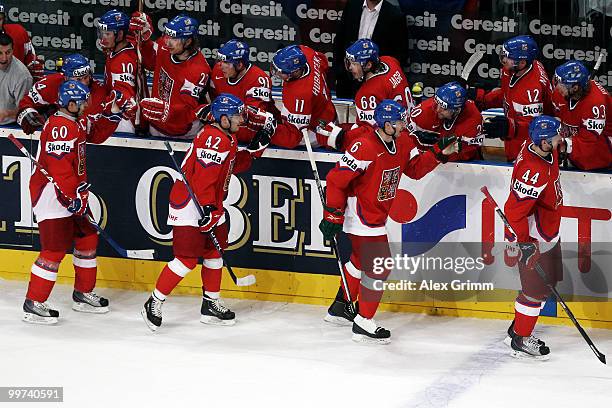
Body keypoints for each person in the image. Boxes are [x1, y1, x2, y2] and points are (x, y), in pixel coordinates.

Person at [318, 99, 459, 344]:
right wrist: (332, 215)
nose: (404, 125)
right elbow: (336, 179)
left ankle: (341, 307)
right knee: (380, 265)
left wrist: (438, 153)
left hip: (376, 214)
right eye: (398, 122)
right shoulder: (363, 146)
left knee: (360, 260)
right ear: (385, 124)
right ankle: (363, 321)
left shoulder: (403, 141)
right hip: (360, 214)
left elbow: (414, 169)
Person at [141, 94, 255, 331]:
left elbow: (232, 165)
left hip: (210, 204)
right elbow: (203, 179)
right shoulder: (214, 139)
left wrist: (255, 150)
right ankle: (153, 301)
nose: (241, 120)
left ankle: (210, 303)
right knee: (186, 259)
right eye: (236, 116)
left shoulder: (226, 136)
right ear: (223, 119)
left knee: (215, 253)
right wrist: (209, 209)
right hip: (191, 205)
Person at [23, 80, 125, 324]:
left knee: (87, 237)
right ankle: (33, 302)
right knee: (54, 249)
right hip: (52, 193)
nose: (87, 104)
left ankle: (83, 293)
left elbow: (96, 134)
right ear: (70, 104)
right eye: (82, 101)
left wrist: (113, 115)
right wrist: (72, 196)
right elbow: (59, 169)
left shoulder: (76, 121)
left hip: (72, 192)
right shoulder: (60, 126)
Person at [503, 115, 564, 360]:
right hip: (535, 235)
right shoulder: (532, 170)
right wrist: (522, 245)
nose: (561, 139)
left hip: (548, 228)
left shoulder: (543, 149)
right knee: (535, 290)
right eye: (557, 137)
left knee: (545, 285)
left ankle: (518, 326)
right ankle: (521, 338)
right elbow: (514, 211)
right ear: (545, 142)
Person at [316, 38, 412, 151]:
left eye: (354, 63)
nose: (350, 67)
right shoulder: (390, 61)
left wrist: (338, 139)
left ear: (368, 65)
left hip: (396, 140)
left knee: (328, 135)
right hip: (408, 126)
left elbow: (371, 133)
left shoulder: (367, 94)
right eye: (349, 62)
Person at [473, 35, 554, 162]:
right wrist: (481, 98)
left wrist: (510, 127)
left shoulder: (532, 91)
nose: (503, 59)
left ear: (522, 62)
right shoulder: (513, 69)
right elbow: (508, 94)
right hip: (513, 140)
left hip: (528, 148)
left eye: (508, 57)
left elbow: (538, 129)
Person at [132, 13, 211, 138]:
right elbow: (150, 63)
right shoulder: (165, 46)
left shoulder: (198, 70)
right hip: (156, 125)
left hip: (182, 132)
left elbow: (188, 109)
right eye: (167, 36)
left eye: (174, 39)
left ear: (188, 41)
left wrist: (168, 111)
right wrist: (145, 41)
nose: (168, 42)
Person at [17, 54, 107, 136]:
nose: (84, 83)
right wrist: (28, 113)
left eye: (86, 77)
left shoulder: (99, 93)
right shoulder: (51, 83)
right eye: (78, 79)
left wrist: (53, 115)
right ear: (66, 78)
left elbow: (93, 133)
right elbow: (26, 101)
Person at [333, 0, 408, 98]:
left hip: (377, 85)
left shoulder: (395, 15)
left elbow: (400, 55)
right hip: (347, 81)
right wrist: (340, 72)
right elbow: (339, 40)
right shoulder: (352, 5)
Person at [210, 39, 278, 144]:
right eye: (220, 60)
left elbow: (254, 119)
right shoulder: (217, 72)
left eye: (226, 62)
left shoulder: (259, 80)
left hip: (255, 134)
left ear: (240, 65)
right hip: (229, 129)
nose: (221, 65)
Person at [268, 44, 336, 148]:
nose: (276, 73)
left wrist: (268, 132)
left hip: (317, 130)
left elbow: (293, 137)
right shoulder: (307, 52)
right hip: (328, 111)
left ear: (294, 72)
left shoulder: (300, 96)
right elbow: (324, 61)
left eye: (280, 72)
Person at [551, 60, 611, 170]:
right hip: (573, 151)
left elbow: (589, 144)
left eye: (562, 84)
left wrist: (564, 145)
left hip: (598, 157)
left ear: (575, 88)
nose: (557, 87)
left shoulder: (595, 104)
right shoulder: (559, 93)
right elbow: (558, 117)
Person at [408, 81, 483, 161]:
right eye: (437, 104)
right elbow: (404, 139)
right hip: (427, 161)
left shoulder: (473, 119)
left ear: (457, 110)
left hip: (461, 165)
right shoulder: (423, 111)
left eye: (444, 108)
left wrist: (438, 148)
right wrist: (415, 139)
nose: (437, 110)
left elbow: (467, 153)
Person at [96, 9, 139, 133]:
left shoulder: (123, 62)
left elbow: (124, 93)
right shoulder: (120, 48)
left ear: (120, 35)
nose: (103, 38)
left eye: (107, 33)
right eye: (102, 33)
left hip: (122, 121)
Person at [0, 2, 43, 81]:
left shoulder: (18, 32)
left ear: (4, 19)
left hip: (17, 84)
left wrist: (34, 66)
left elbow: (31, 58)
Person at [0, 32, 32, 125]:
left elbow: (26, 111)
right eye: (0, 53)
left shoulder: (23, 77)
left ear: (13, 50)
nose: (4, 58)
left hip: (8, 128)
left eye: (8, 52)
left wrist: (7, 113)